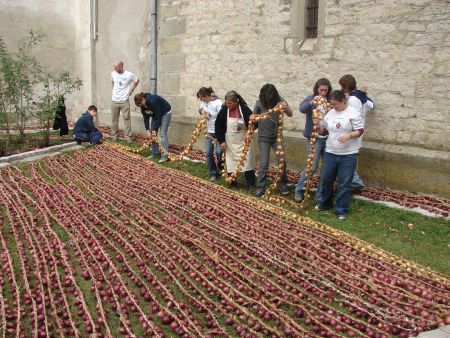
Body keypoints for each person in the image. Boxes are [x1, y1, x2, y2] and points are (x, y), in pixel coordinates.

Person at [316, 90, 364, 219]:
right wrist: (318, 127)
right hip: (331, 151)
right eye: (332, 104)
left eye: (336, 104)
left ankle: (341, 209)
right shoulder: (330, 113)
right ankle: (325, 203)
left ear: (344, 101)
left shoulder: (353, 113)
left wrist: (349, 135)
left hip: (348, 154)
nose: (334, 107)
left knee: (344, 183)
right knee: (326, 179)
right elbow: (325, 130)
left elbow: (360, 130)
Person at [294, 78, 332, 202]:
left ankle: (320, 194)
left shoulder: (330, 100)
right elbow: (302, 108)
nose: (323, 93)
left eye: (326, 90)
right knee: (312, 166)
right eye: (321, 90)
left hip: (327, 138)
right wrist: (312, 101)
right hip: (314, 139)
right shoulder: (311, 98)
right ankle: (299, 190)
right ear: (317, 89)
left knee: (326, 167)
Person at [253, 83, 293, 197]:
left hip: (277, 137)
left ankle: (283, 183)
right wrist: (253, 117)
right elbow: (253, 118)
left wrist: (286, 107)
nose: (268, 102)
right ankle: (260, 187)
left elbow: (290, 114)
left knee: (282, 161)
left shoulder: (280, 100)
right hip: (263, 138)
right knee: (264, 164)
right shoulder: (259, 102)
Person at [339, 74, 374, 191]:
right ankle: (351, 181)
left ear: (345, 87)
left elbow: (351, 116)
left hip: (353, 132)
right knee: (351, 156)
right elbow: (371, 105)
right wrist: (364, 94)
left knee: (349, 157)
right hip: (358, 132)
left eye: (342, 87)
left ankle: (355, 182)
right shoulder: (360, 97)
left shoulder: (353, 100)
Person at [215, 91, 256, 190]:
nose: (227, 105)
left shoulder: (244, 109)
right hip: (230, 142)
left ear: (236, 102)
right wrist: (221, 141)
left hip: (244, 142)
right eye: (226, 103)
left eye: (230, 103)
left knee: (248, 162)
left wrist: (250, 131)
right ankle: (233, 183)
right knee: (231, 163)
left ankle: (251, 184)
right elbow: (218, 126)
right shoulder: (224, 111)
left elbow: (254, 121)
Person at [134, 92, 172, 163]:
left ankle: (164, 156)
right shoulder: (142, 106)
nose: (143, 105)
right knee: (152, 134)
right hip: (156, 115)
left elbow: (158, 115)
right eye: (140, 105)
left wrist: (155, 129)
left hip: (165, 112)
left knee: (163, 133)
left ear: (143, 98)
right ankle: (155, 153)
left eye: (142, 103)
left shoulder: (153, 100)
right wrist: (147, 129)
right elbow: (146, 118)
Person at [197, 87, 223, 181]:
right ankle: (213, 173)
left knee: (219, 152)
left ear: (207, 96)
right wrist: (202, 112)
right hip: (209, 132)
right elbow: (200, 109)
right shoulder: (204, 102)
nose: (201, 100)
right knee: (208, 153)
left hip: (219, 132)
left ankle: (221, 167)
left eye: (201, 98)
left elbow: (222, 116)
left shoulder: (218, 103)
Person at [111, 61, 139, 143]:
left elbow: (137, 80)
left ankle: (128, 136)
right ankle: (114, 135)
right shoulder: (113, 73)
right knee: (114, 119)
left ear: (121, 66)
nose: (115, 69)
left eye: (116, 67)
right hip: (114, 100)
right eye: (114, 67)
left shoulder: (129, 75)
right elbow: (112, 82)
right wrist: (113, 91)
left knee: (127, 119)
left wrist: (132, 90)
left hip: (124, 100)